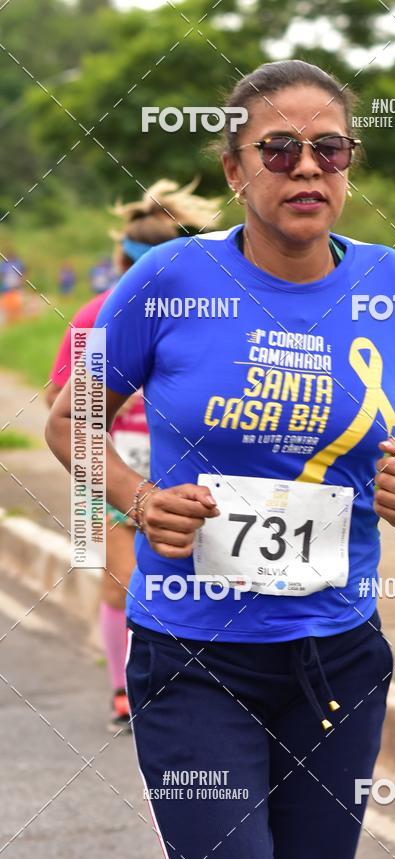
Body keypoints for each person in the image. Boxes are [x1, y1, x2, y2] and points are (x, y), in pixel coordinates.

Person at [47, 60, 395, 859]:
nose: (307, 167)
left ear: (348, 167)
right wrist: (141, 499)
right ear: (235, 171)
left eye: (330, 149)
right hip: (193, 657)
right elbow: (68, 419)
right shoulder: (169, 280)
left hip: (337, 664)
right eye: (277, 149)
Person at [46, 179, 221, 732]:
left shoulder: (204, 309)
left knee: (164, 577)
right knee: (125, 574)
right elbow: (62, 403)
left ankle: (182, 683)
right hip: (119, 464)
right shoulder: (96, 314)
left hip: (185, 466)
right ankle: (128, 690)